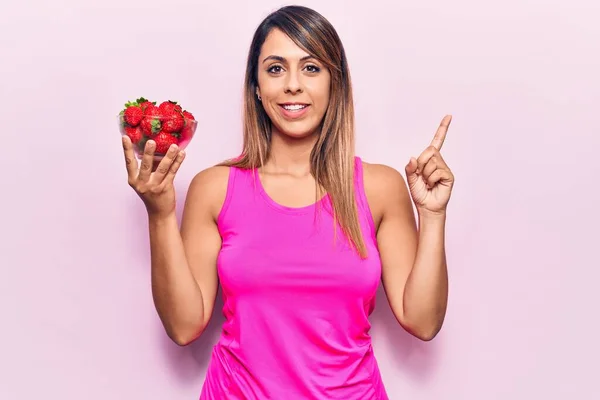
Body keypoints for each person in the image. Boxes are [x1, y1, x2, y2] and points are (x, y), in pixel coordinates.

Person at [121, 5, 455, 400]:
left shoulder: (380, 188)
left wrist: (432, 215)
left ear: (336, 83)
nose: (292, 84)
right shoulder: (215, 187)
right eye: (276, 68)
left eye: (311, 68)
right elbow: (183, 327)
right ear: (257, 88)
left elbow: (423, 321)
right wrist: (160, 214)